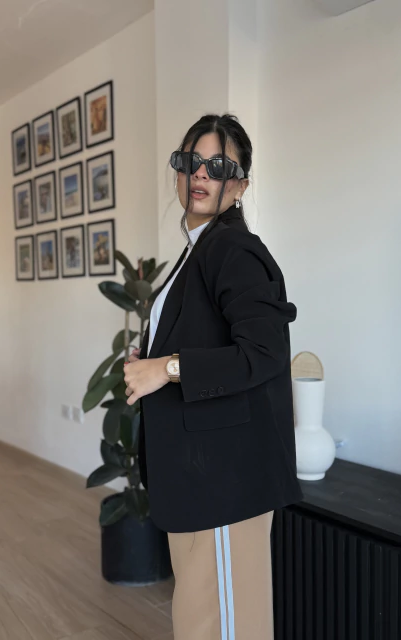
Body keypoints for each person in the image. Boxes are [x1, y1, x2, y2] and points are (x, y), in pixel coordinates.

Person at [123, 114, 303, 640]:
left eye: (219, 166)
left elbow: (265, 351)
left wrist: (167, 368)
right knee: (201, 620)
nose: (201, 173)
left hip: (224, 480)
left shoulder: (232, 248)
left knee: (223, 626)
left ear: (240, 185)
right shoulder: (196, 251)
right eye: (191, 161)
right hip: (201, 479)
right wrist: (151, 356)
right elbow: (207, 338)